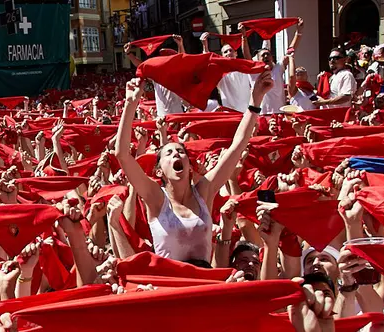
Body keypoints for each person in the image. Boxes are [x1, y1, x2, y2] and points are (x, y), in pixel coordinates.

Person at [113, 70, 273, 265]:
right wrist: (130, 104)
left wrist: (255, 102)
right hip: (172, 285)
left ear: (190, 167)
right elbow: (122, 154)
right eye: (169, 153)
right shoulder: (155, 197)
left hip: (204, 283)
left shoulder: (204, 192)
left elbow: (237, 146)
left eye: (181, 152)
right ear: (159, 171)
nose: (177, 155)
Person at [199, 32, 252, 113]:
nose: (228, 53)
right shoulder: (221, 73)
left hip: (248, 113)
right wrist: (205, 46)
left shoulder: (244, 68)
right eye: (225, 52)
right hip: (230, 114)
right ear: (222, 56)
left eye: (231, 50)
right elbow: (208, 64)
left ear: (236, 53)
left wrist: (244, 36)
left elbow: (249, 60)